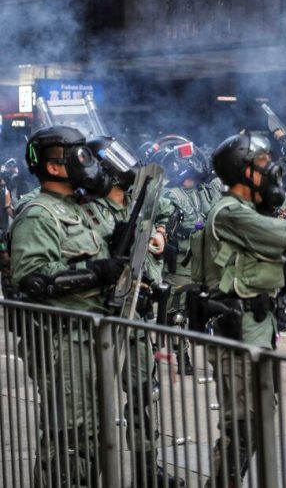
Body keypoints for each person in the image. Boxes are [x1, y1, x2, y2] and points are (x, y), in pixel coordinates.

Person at [192, 131, 286, 485]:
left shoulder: (247, 210)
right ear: (241, 171)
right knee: (243, 424)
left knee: (255, 419)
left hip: (256, 327)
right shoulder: (230, 213)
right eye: (261, 163)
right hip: (236, 330)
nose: (270, 170)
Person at [9, 126, 124, 486]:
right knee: (71, 435)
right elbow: (35, 279)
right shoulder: (38, 214)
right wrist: (95, 272)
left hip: (93, 336)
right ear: (55, 167)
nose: (86, 162)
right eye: (79, 155)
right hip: (63, 341)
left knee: (94, 431)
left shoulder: (84, 209)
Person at [81, 136, 182, 486]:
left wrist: (160, 232)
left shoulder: (135, 202)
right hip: (104, 316)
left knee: (141, 396)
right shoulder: (89, 211)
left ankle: (146, 469)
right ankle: (86, 472)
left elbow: (166, 209)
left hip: (137, 315)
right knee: (93, 405)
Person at [160, 143, 212, 374]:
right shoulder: (170, 195)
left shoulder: (201, 191)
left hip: (203, 260)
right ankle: (182, 357)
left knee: (204, 309)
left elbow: (212, 213)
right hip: (181, 261)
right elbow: (181, 225)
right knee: (177, 313)